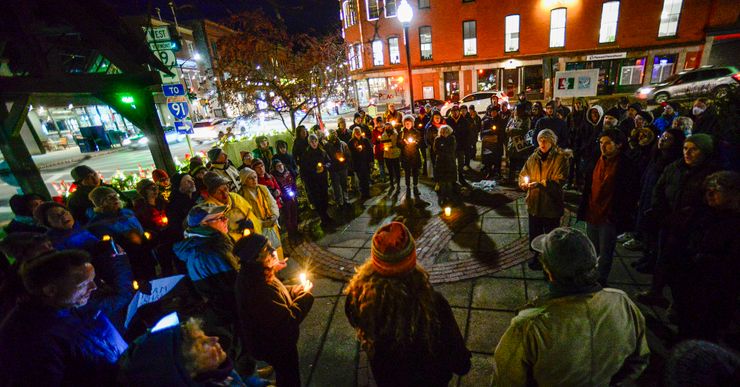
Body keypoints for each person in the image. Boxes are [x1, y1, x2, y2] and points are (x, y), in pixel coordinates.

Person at [493, 227, 650, 386]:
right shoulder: (622, 302)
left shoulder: (529, 327)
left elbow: (505, 381)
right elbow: (639, 359)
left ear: (549, 271)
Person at [344, 222, 471, 387]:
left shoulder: (357, 297)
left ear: (376, 259)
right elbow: (460, 363)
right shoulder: (433, 304)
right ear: (411, 257)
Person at [0, 250, 128, 386]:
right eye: (83, 284)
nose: (94, 287)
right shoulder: (31, 340)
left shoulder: (68, 307)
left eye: (92, 280)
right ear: (50, 290)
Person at [636, 134, 720, 306]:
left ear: (704, 152)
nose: (687, 153)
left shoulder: (710, 174)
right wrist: (661, 213)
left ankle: (678, 304)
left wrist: (690, 218)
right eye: (685, 148)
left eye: (693, 149)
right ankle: (656, 291)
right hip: (668, 222)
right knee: (663, 258)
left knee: (683, 266)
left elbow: (708, 205)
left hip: (691, 229)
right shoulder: (674, 168)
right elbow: (659, 190)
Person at [173, 204, 251, 375]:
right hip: (224, 311)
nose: (225, 220)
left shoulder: (217, 240)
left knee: (243, 344)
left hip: (231, 306)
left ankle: (250, 372)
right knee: (232, 348)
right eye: (219, 218)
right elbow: (227, 285)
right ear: (203, 225)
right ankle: (243, 376)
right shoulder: (204, 252)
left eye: (224, 215)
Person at [34, 202, 134, 328]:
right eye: (56, 216)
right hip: (97, 292)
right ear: (48, 223)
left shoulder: (80, 229)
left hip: (111, 279)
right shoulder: (55, 245)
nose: (63, 216)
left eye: (64, 212)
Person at [666, 171, 740, 341]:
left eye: (716, 190)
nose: (709, 194)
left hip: (714, 288)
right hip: (691, 280)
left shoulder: (734, 223)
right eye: (707, 190)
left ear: (732, 194)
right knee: (687, 321)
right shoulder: (702, 213)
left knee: (705, 328)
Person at [234, 233, 314, 387]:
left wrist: (295, 290)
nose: (273, 250)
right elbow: (287, 321)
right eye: (267, 249)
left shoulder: (259, 272)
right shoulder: (256, 288)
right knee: (289, 376)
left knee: (284, 371)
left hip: (271, 342)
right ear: (256, 257)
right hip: (275, 344)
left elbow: (278, 292)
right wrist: (305, 296)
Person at [119, 316, 261, 387]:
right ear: (186, 369)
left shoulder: (216, 372)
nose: (215, 339)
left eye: (204, 335)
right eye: (202, 344)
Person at [578, 129, 639, 286]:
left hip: (609, 214)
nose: (603, 147)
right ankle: (589, 274)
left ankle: (601, 279)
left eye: (607, 143)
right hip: (592, 211)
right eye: (601, 143)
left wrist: (620, 213)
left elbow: (629, 193)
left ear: (619, 145)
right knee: (591, 249)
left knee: (605, 252)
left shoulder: (626, 165)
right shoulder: (596, 160)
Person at [629, 129, 686, 269]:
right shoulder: (657, 156)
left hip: (658, 201)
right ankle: (646, 256)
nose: (662, 140)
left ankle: (653, 261)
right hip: (647, 194)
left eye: (668, 138)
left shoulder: (673, 163)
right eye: (662, 136)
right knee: (646, 229)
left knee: (655, 233)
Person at [519, 129, 570, 270]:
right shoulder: (533, 157)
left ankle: (551, 260)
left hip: (550, 204)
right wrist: (523, 183)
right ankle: (537, 256)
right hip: (534, 203)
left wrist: (541, 184)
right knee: (535, 233)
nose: (542, 142)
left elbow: (560, 180)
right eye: (540, 139)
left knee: (551, 235)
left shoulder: (560, 158)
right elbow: (524, 173)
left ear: (552, 142)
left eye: (545, 140)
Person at [86, 186, 154, 282]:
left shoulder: (128, 213)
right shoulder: (98, 223)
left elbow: (140, 230)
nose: (115, 199)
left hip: (145, 256)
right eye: (109, 197)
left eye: (115, 196)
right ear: (100, 203)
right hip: (129, 263)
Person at [238, 168, 283, 260]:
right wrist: (260, 223)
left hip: (271, 223)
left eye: (255, 177)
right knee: (264, 253)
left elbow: (272, 203)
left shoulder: (263, 188)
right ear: (244, 180)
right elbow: (245, 214)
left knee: (276, 248)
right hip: (258, 228)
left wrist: (274, 215)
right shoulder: (241, 195)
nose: (254, 180)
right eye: (250, 178)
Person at [203, 172, 261, 241]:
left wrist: (251, 224)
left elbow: (251, 215)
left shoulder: (235, 197)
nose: (225, 194)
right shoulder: (210, 210)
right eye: (219, 192)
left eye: (225, 189)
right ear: (211, 195)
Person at [301, 134, 332, 226]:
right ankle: (323, 217)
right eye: (312, 142)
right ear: (309, 143)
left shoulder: (322, 152)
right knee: (317, 199)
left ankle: (325, 214)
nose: (314, 143)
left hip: (323, 179)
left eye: (315, 141)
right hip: (313, 181)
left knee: (324, 197)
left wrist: (325, 167)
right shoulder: (306, 154)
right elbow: (304, 168)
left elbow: (329, 162)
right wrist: (314, 170)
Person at [166, 173, 199, 244]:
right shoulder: (174, 206)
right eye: (188, 181)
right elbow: (177, 228)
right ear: (179, 187)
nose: (192, 182)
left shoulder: (195, 198)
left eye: (192, 180)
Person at [272, 159, 299, 238]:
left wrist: (295, 192)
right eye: (278, 166)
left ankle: (296, 230)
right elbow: (277, 188)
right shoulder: (275, 177)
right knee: (288, 216)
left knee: (295, 213)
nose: (280, 167)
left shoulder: (288, 173)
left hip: (293, 196)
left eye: (281, 165)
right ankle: (291, 233)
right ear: (275, 168)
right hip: (285, 199)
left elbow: (293, 183)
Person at [505, 107, 534, 182]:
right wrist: (510, 131)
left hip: (521, 146)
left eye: (517, 110)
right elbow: (507, 129)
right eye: (514, 110)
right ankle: (511, 180)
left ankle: (522, 181)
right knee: (512, 164)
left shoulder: (526, 120)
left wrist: (513, 130)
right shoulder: (512, 119)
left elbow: (525, 130)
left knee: (521, 164)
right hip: (512, 145)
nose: (515, 111)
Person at [325, 128, 352, 207]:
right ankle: (339, 202)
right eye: (331, 133)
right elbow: (326, 158)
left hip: (343, 168)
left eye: (334, 133)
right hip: (333, 169)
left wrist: (344, 160)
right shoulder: (326, 146)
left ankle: (346, 200)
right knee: (336, 186)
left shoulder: (343, 144)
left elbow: (348, 154)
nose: (333, 135)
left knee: (344, 184)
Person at [480, 105, 507, 179]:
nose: (493, 113)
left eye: (495, 112)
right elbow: (482, 132)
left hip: (498, 144)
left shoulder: (501, 121)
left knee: (497, 159)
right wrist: (491, 131)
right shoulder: (486, 121)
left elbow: (502, 132)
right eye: (492, 112)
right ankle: (489, 172)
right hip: (489, 144)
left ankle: (497, 172)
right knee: (489, 159)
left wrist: (498, 135)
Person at [445, 105, 470, 182]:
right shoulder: (448, 121)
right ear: (451, 112)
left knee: (461, 162)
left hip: (461, 146)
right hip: (451, 146)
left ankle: (461, 176)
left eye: (456, 111)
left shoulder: (464, 121)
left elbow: (467, 134)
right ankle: (453, 178)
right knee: (452, 162)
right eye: (453, 111)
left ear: (459, 112)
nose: (455, 113)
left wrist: (467, 144)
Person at [434, 125, 457, 206]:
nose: (444, 133)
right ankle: (443, 197)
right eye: (443, 132)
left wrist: (443, 150)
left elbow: (452, 149)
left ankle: (450, 197)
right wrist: (443, 151)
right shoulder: (437, 139)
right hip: (441, 163)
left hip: (449, 162)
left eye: (446, 132)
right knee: (442, 181)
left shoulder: (452, 138)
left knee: (449, 181)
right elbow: (436, 150)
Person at [399, 114, 422, 195]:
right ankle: (408, 187)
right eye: (406, 123)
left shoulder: (416, 132)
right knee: (407, 172)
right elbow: (398, 144)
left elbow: (420, 143)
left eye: (409, 123)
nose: (408, 124)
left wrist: (415, 143)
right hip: (405, 155)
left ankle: (415, 186)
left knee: (415, 171)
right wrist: (403, 142)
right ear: (404, 124)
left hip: (414, 155)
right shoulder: (401, 133)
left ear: (412, 123)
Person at [348, 127, 374, 199]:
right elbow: (350, 154)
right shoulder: (351, 142)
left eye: (358, 131)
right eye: (355, 131)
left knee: (366, 178)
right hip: (357, 164)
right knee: (360, 179)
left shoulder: (365, 140)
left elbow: (370, 151)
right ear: (353, 133)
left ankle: (367, 193)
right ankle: (363, 194)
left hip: (366, 163)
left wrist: (371, 161)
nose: (357, 132)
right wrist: (356, 150)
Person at [381, 122, 402, 191]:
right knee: (390, 170)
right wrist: (383, 146)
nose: (388, 128)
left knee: (397, 170)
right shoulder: (383, 135)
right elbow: (382, 144)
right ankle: (392, 184)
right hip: (387, 154)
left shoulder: (396, 134)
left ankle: (398, 184)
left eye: (389, 126)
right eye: (386, 127)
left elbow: (399, 142)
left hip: (395, 153)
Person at [424, 110, 445, 177]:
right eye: (435, 118)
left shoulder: (444, 126)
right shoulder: (430, 127)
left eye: (438, 117)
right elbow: (428, 139)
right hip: (434, 150)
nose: (437, 119)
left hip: (444, 149)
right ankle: (437, 180)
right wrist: (431, 146)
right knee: (435, 164)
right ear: (433, 118)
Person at [415, 107, 431, 176]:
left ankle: (425, 171)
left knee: (426, 156)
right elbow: (415, 128)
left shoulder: (427, 119)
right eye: (420, 114)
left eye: (423, 114)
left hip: (425, 140)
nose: (422, 115)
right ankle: (419, 168)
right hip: (419, 140)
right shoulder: (417, 119)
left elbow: (427, 128)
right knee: (418, 155)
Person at [372, 116, 387, 181]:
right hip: (379, 150)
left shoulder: (386, 129)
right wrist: (377, 140)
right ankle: (382, 177)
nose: (380, 124)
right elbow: (373, 141)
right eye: (378, 123)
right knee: (381, 164)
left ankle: (389, 175)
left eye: (381, 122)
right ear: (376, 123)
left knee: (388, 163)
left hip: (386, 149)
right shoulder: (374, 131)